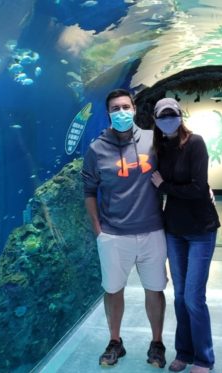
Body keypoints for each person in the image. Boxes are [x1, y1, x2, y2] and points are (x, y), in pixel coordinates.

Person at [81, 89, 168, 368]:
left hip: (153, 231)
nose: (121, 112)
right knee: (113, 289)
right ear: (108, 114)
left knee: (155, 290)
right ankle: (115, 342)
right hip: (114, 234)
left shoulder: (154, 141)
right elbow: (89, 191)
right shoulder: (96, 149)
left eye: (125, 107)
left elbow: (176, 171)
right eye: (115, 108)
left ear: (134, 108)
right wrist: (99, 230)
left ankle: (157, 343)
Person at [150, 97, 220, 373]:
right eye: (162, 114)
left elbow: (199, 188)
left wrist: (165, 185)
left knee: (193, 297)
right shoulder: (159, 148)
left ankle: (204, 358)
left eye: (172, 113)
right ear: (155, 119)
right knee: (179, 297)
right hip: (175, 231)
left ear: (180, 115)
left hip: (201, 229)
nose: (168, 118)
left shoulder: (195, 143)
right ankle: (184, 351)